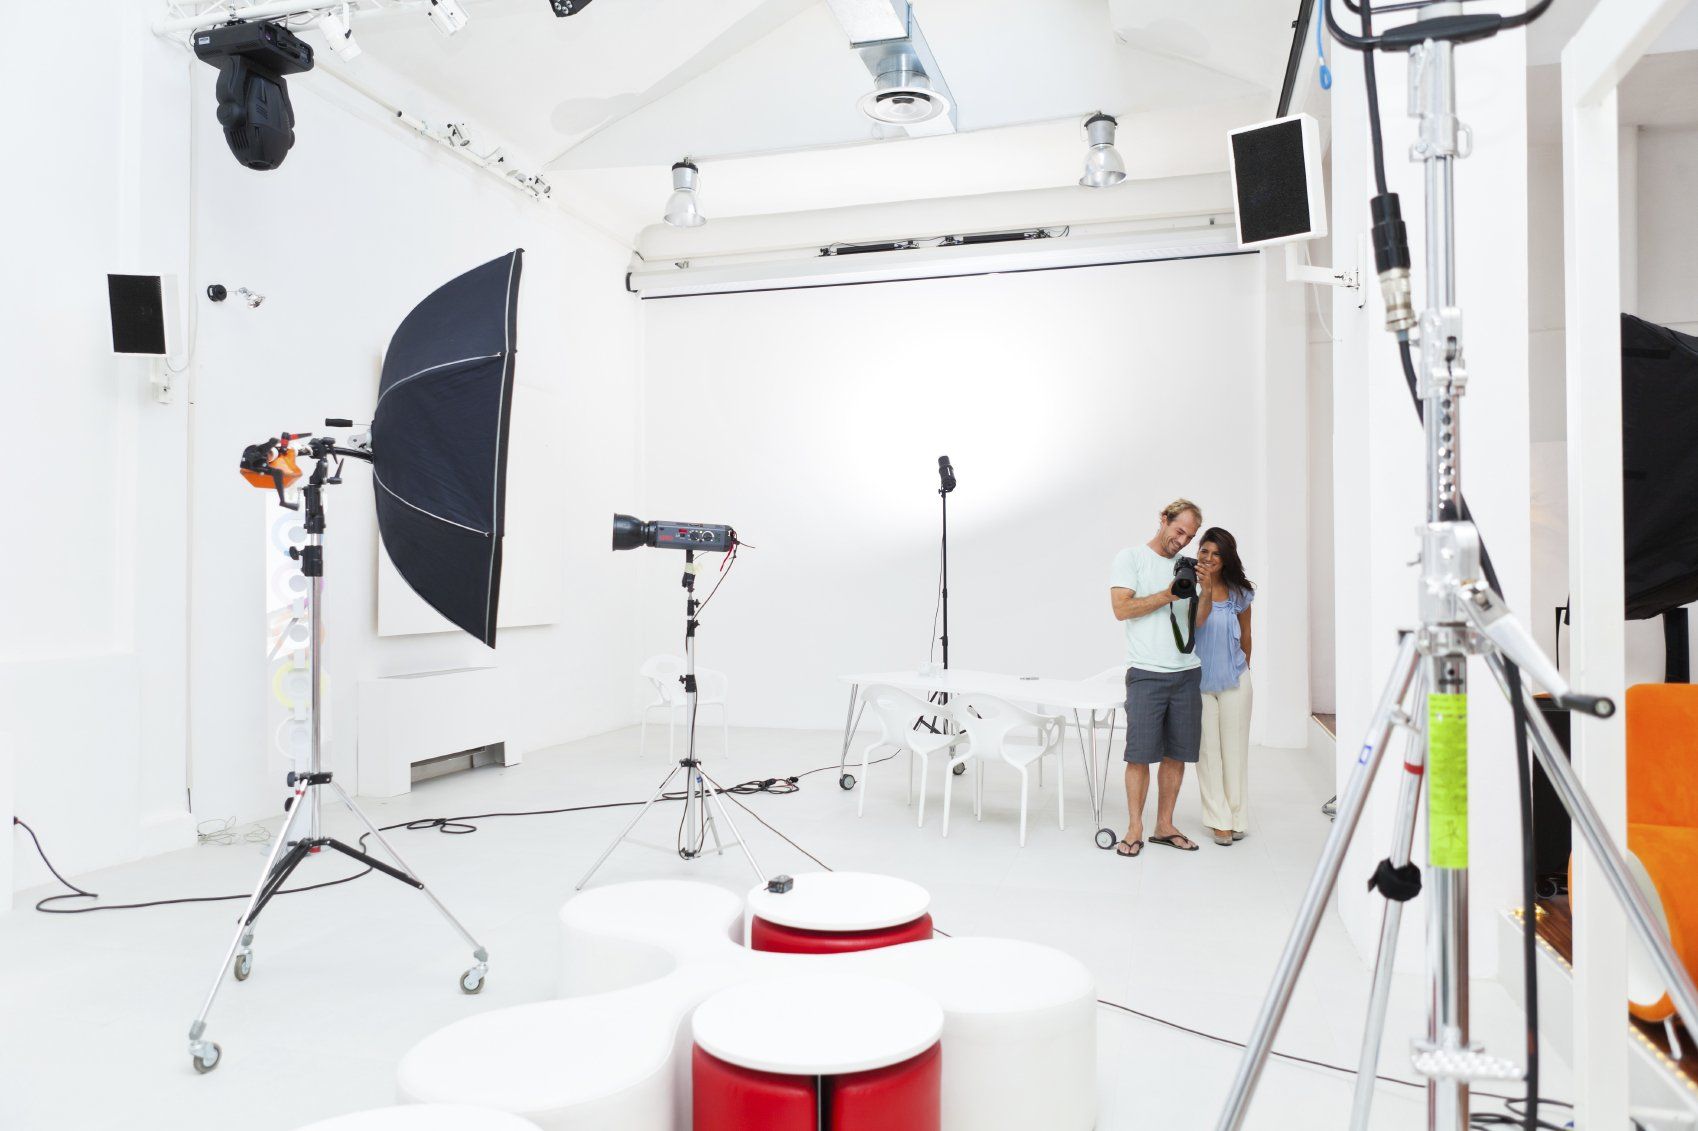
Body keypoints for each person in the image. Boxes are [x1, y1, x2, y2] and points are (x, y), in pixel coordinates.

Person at [1108, 499, 1204, 856]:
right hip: (1147, 673)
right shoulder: (1131, 558)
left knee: (1176, 755)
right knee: (1139, 755)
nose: (1182, 540)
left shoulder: (1187, 568)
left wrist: (1204, 588)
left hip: (1187, 672)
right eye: (1178, 531)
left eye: (1190, 536)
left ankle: (1165, 825)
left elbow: (1198, 623)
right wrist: (1167, 594)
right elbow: (1122, 609)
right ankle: (1134, 828)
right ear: (1163, 519)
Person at [1192, 528, 1255, 847]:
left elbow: (1247, 637)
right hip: (1200, 683)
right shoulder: (1188, 587)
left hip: (1235, 681)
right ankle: (1219, 820)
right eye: (1205, 551)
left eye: (1217, 553)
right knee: (1207, 754)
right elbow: (1197, 623)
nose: (1209, 558)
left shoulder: (1240, 592)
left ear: (1226, 557)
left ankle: (1238, 817)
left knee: (1234, 752)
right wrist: (1203, 589)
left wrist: (1245, 671)